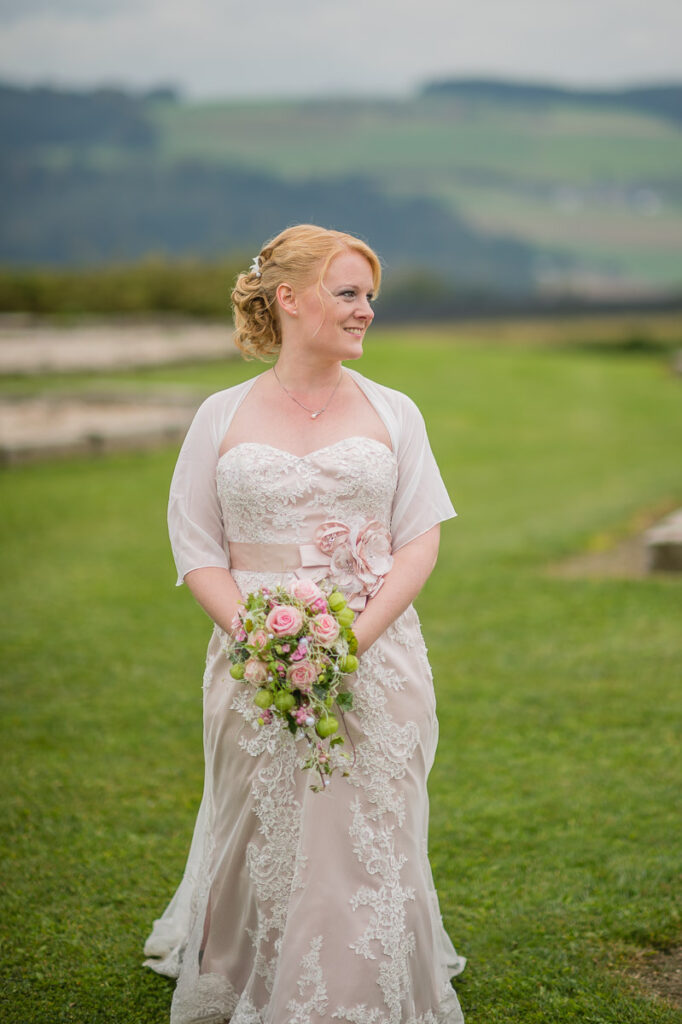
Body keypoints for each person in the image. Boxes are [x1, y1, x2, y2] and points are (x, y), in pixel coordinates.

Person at [143, 224, 466, 1024]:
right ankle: (249, 968)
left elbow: (421, 537)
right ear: (288, 298)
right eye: (347, 293)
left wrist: (350, 642)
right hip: (253, 656)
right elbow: (196, 547)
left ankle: (366, 984)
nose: (364, 312)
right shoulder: (220, 416)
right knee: (261, 818)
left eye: (370, 298)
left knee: (366, 823)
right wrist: (261, 640)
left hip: (377, 649)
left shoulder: (397, 413)